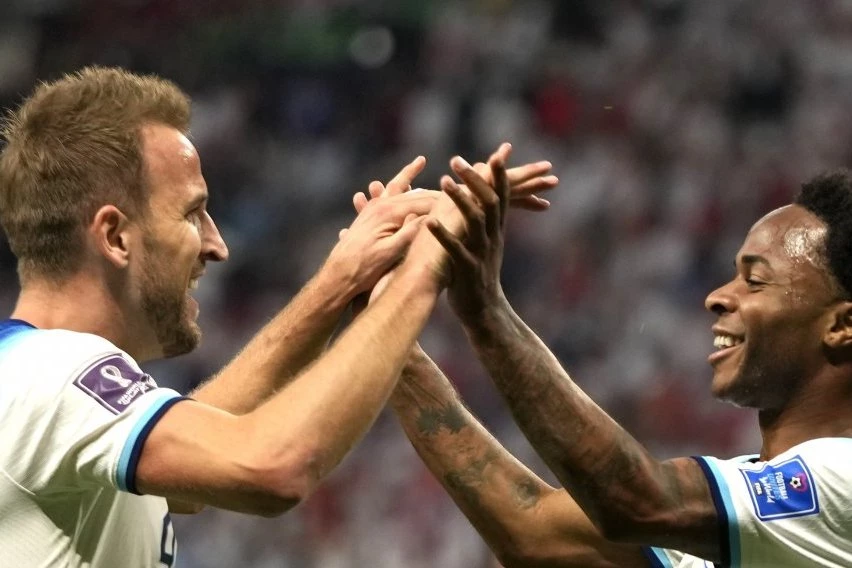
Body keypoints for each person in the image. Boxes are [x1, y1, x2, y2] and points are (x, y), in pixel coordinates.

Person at [0, 66, 555, 567]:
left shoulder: (32, 383)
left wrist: (341, 282)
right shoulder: (49, 374)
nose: (217, 245)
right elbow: (270, 466)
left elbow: (194, 473)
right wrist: (424, 270)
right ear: (115, 236)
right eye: (192, 214)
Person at [387, 166, 852, 567]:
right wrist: (385, 321)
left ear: (841, 325)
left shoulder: (841, 479)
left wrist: (486, 311)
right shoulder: (743, 515)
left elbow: (636, 500)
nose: (718, 296)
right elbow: (533, 533)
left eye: (755, 281)